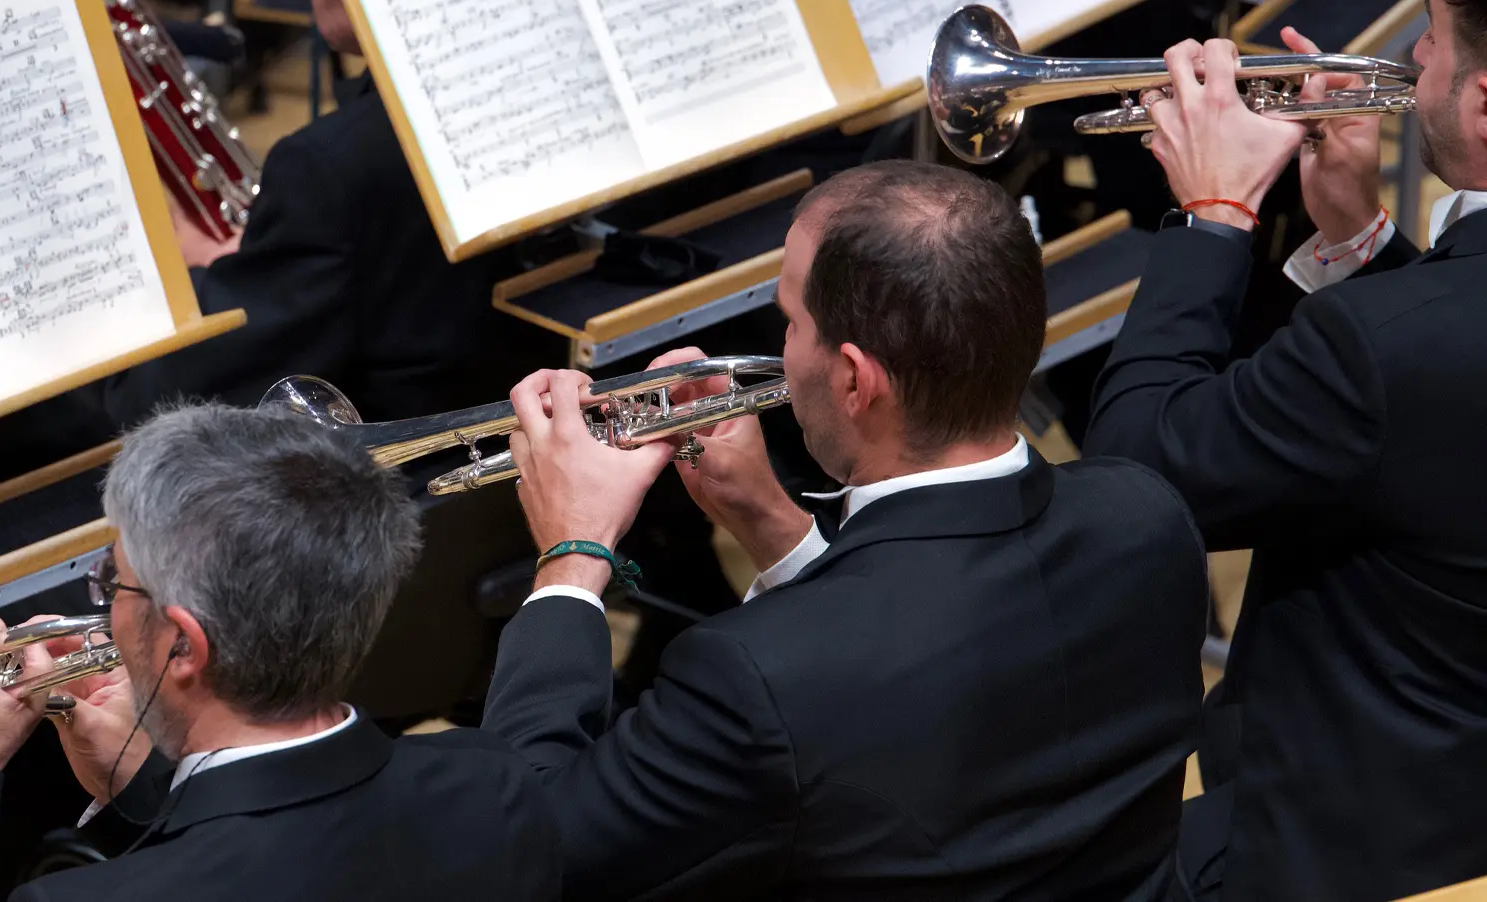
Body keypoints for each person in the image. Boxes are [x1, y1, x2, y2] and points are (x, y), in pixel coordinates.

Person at [484, 160, 1210, 900]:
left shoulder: (753, 677)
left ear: (856, 380)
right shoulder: (1146, 518)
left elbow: (531, 849)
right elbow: (919, 676)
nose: (781, 352)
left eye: (792, 322)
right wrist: (767, 519)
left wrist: (570, 554)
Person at [1081, 0, 1487, 897]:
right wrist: (1356, 238)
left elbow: (1135, 481)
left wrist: (1214, 216)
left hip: (1337, 841)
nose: (1413, 60)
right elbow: (1442, 397)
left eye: (1430, 40)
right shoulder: (1415, 335)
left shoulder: (1383, 349)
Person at [0, 405, 561, 902]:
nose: (103, 604)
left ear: (183, 645)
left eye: (113, 581)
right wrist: (147, 790)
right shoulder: (490, 783)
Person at [0, 0, 537, 490]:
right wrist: (264, 261)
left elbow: (157, 406)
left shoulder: (333, 169)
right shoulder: (534, 103)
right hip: (513, 466)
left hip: (382, 525)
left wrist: (165, 279)